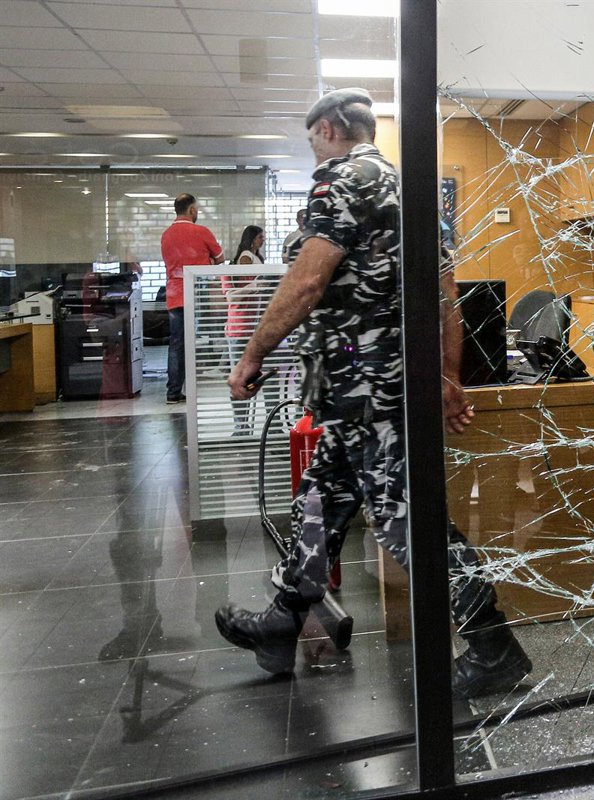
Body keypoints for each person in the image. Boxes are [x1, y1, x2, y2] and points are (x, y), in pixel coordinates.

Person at [214, 88, 531, 699]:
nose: (313, 152)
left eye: (312, 140)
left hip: (366, 391)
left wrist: (253, 353)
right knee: (321, 499)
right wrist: (447, 377)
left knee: (408, 521)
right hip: (378, 392)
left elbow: (307, 282)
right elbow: (446, 295)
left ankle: (494, 646)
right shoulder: (413, 191)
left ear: (329, 129)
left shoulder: (342, 182)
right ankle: (283, 619)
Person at [161, 193, 223, 404]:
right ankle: (193, 387)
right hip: (195, 293)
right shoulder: (201, 232)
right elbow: (220, 258)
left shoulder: (166, 235)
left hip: (173, 295)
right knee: (195, 341)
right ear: (192, 210)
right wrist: (207, 262)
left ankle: (173, 391)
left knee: (176, 343)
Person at [222, 225, 267, 433]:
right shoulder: (244, 261)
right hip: (241, 329)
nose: (262, 240)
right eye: (259, 237)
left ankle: (243, 426)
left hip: (252, 328)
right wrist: (254, 286)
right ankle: (241, 426)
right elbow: (232, 297)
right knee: (242, 379)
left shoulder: (255, 259)